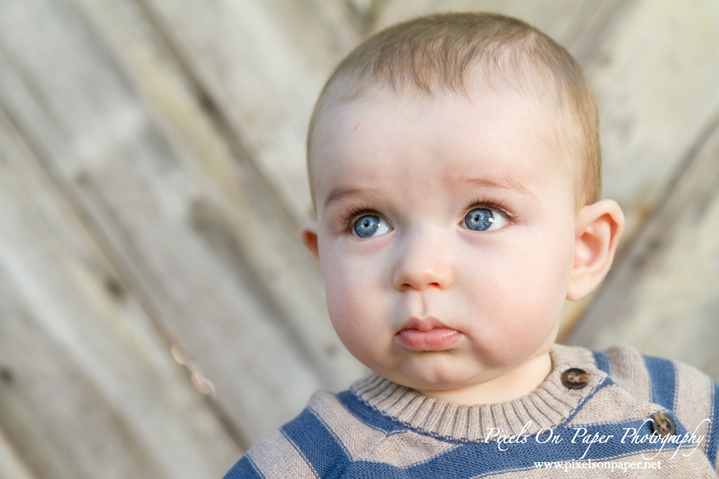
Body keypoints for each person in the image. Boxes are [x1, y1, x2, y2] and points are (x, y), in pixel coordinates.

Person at [225, 12, 719, 478]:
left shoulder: (673, 401)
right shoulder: (311, 463)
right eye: (368, 223)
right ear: (322, 259)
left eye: (481, 217)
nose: (418, 269)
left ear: (583, 250)